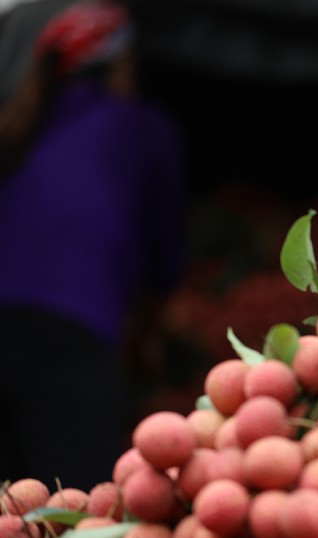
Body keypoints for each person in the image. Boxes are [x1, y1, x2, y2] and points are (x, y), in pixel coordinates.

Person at [0, 0, 187, 491]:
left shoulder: (21, 131)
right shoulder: (143, 126)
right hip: (69, 338)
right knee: (72, 511)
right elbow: (165, 256)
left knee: (12, 516)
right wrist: (149, 333)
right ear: (122, 64)